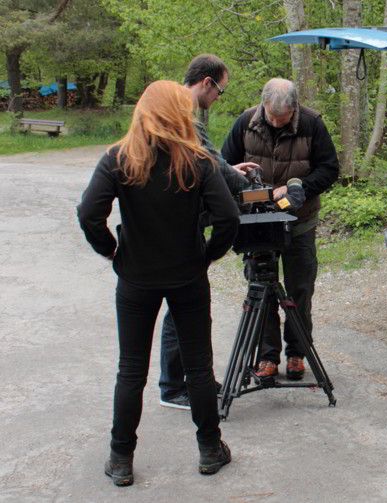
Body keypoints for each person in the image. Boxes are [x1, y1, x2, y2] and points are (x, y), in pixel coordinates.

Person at [77, 80, 240, 486]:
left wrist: (110, 249)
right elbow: (229, 218)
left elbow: (88, 213)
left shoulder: (118, 157)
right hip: (186, 275)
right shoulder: (197, 160)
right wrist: (208, 255)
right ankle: (209, 449)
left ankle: (121, 459)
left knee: (130, 371)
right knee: (198, 367)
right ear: (179, 113)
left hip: (136, 278)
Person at [157, 53, 260, 411]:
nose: (218, 98)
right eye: (220, 91)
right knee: (183, 310)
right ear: (206, 82)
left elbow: (206, 164)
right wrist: (245, 181)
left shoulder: (172, 116)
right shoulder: (183, 119)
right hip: (180, 230)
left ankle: (185, 381)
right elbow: (212, 169)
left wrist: (229, 169)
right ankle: (173, 387)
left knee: (182, 310)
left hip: (171, 227)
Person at [221, 78, 339, 381]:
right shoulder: (245, 122)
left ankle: (297, 353)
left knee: (300, 290)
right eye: (271, 117)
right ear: (263, 105)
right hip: (257, 223)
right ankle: (267, 356)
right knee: (261, 290)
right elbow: (224, 165)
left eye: (282, 119)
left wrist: (299, 187)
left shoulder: (312, 123)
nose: (275, 123)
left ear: (295, 108)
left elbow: (329, 168)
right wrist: (247, 187)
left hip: (299, 222)